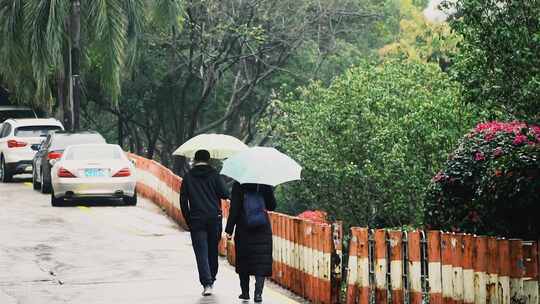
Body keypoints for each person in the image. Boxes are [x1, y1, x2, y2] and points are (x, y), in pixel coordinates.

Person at [180, 150, 229, 296]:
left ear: (195, 160)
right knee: (212, 250)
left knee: (201, 252)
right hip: (214, 218)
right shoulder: (214, 175)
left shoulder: (188, 177)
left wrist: (188, 219)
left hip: (196, 219)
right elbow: (225, 194)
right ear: (209, 160)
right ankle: (211, 278)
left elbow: (183, 201)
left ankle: (207, 283)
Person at [225, 182, 276, 303]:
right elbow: (272, 206)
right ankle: (258, 294)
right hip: (262, 227)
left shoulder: (239, 184)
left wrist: (229, 229)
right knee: (261, 262)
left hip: (244, 227)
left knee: (244, 260)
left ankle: (245, 292)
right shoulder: (264, 182)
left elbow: (235, 208)